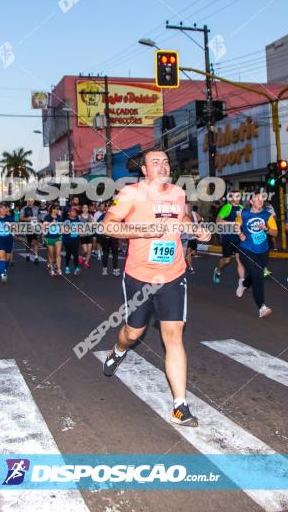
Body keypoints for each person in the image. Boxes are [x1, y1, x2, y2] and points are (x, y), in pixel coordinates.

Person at [101, 150, 211, 427]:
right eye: (155, 162)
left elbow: (182, 219)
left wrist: (197, 229)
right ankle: (117, 350)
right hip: (139, 276)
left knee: (173, 335)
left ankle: (179, 406)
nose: (162, 165)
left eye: (165, 161)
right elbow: (107, 226)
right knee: (133, 332)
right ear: (145, 171)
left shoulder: (177, 193)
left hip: (172, 275)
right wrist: (142, 231)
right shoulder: (130, 194)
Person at [237, 190, 278, 317]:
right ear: (251, 201)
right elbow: (236, 226)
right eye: (257, 199)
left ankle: (244, 283)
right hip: (247, 249)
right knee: (259, 277)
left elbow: (275, 233)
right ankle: (262, 307)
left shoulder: (267, 215)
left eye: (262, 199)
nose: (260, 201)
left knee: (257, 274)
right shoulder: (243, 214)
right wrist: (240, 234)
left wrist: (266, 229)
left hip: (263, 251)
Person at [213, 192, 246, 290]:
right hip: (228, 238)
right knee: (226, 260)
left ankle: (241, 282)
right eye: (235, 196)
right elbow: (218, 221)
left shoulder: (241, 207)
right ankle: (218, 270)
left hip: (238, 238)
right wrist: (233, 223)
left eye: (238, 196)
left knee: (240, 259)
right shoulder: (227, 207)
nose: (237, 198)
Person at [0, 202, 15, 283]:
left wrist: (10, 225)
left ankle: (4, 269)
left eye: (5, 208)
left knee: (7, 259)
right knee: (2, 258)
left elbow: (15, 228)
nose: (4, 209)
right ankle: (3, 274)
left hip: (9, 240)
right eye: (2, 208)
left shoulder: (10, 218)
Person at [43, 204, 63, 276]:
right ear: (51, 209)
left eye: (57, 209)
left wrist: (62, 232)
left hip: (58, 237)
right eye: (55, 209)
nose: (56, 210)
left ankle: (59, 269)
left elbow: (61, 226)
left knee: (58, 253)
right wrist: (52, 222)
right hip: (49, 237)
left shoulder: (59, 217)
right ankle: (51, 269)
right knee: (51, 254)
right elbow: (44, 226)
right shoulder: (47, 217)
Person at [62, 206, 83, 275]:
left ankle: (76, 268)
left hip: (76, 239)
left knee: (75, 254)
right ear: (69, 213)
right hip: (67, 240)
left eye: (75, 212)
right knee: (68, 253)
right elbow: (64, 231)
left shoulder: (77, 219)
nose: (74, 213)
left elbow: (80, 228)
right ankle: (67, 267)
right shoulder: (66, 220)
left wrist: (81, 232)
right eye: (73, 211)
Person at [183, 204, 201, 274]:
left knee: (193, 252)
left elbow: (200, 220)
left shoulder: (195, 214)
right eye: (187, 207)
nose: (189, 208)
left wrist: (199, 228)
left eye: (190, 207)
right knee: (188, 252)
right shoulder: (183, 214)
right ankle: (190, 267)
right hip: (185, 237)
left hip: (193, 236)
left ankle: (186, 262)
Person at [79, 204, 94, 269]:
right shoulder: (79, 217)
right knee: (85, 250)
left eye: (86, 207)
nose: (85, 209)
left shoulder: (91, 216)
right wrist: (80, 232)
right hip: (83, 235)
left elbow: (94, 224)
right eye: (84, 208)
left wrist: (91, 224)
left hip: (89, 235)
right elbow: (77, 226)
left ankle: (86, 262)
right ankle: (80, 256)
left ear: (88, 209)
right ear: (82, 209)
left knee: (89, 250)